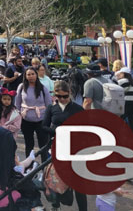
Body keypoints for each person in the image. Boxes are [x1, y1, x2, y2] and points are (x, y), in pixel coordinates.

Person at [42, 80, 86, 211]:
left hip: (75, 150)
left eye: (64, 96)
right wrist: (56, 131)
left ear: (70, 94)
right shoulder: (52, 108)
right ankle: (56, 206)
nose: (62, 99)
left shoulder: (78, 109)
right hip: (57, 147)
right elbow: (44, 126)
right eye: (58, 96)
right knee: (56, 180)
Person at [15, 67, 51, 160]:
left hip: (41, 120)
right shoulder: (21, 87)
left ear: (36, 75)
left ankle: (44, 167)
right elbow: (17, 103)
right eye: (28, 74)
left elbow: (49, 104)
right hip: (26, 119)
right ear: (25, 76)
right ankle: (29, 167)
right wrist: (19, 114)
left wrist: (48, 120)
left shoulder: (43, 88)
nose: (31, 76)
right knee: (29, 144)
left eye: (32, 74)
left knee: (43, 144)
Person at [116, 67, 133, 138]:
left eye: (120, 73)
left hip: (125, 103)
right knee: (132, 121)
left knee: (120, 119)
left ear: (123, 74)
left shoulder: (122, 81)